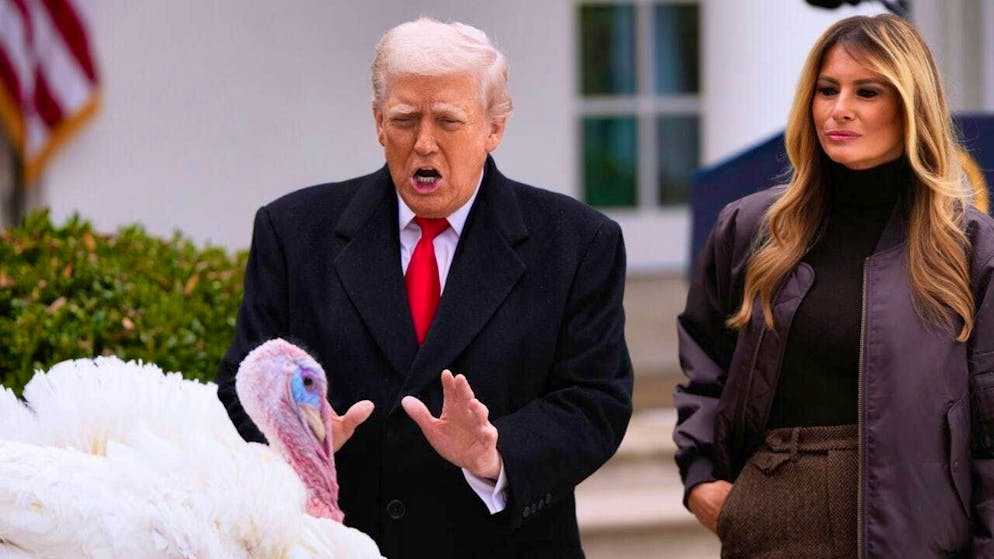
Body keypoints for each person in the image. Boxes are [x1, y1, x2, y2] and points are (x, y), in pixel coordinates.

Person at [216, 17, 632, 559]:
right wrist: (298, 440)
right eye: (405, 119)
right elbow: (237, 390)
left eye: (449, 121)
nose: (425, 144)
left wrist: (494, 452)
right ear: (378, 123)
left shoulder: (577, 242)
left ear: (494, 127)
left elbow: (595, 401)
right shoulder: (294, 232)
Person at [673, 14, 994, 558]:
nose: (838, 108)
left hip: (920, 531)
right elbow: (705, 363)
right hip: (773, 517)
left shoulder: (968, 246)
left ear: (911, 106)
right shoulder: (751, 229)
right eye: (827, 90)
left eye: (866, 91)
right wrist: (701, 477)